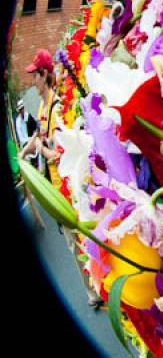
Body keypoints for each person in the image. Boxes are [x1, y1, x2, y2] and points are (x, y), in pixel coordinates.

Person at [18, 48, 104, 309]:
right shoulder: (45, 106)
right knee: (74, 243)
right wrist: (26, 149)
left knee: (74, 243)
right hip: (56, 186)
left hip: (65, 189)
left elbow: (57, 153)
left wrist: (41, 149)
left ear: (45, 75)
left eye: (35, 76)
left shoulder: (56, 107)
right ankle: (96, 288)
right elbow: (39, 136)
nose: (33, 81)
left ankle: (94, 293)